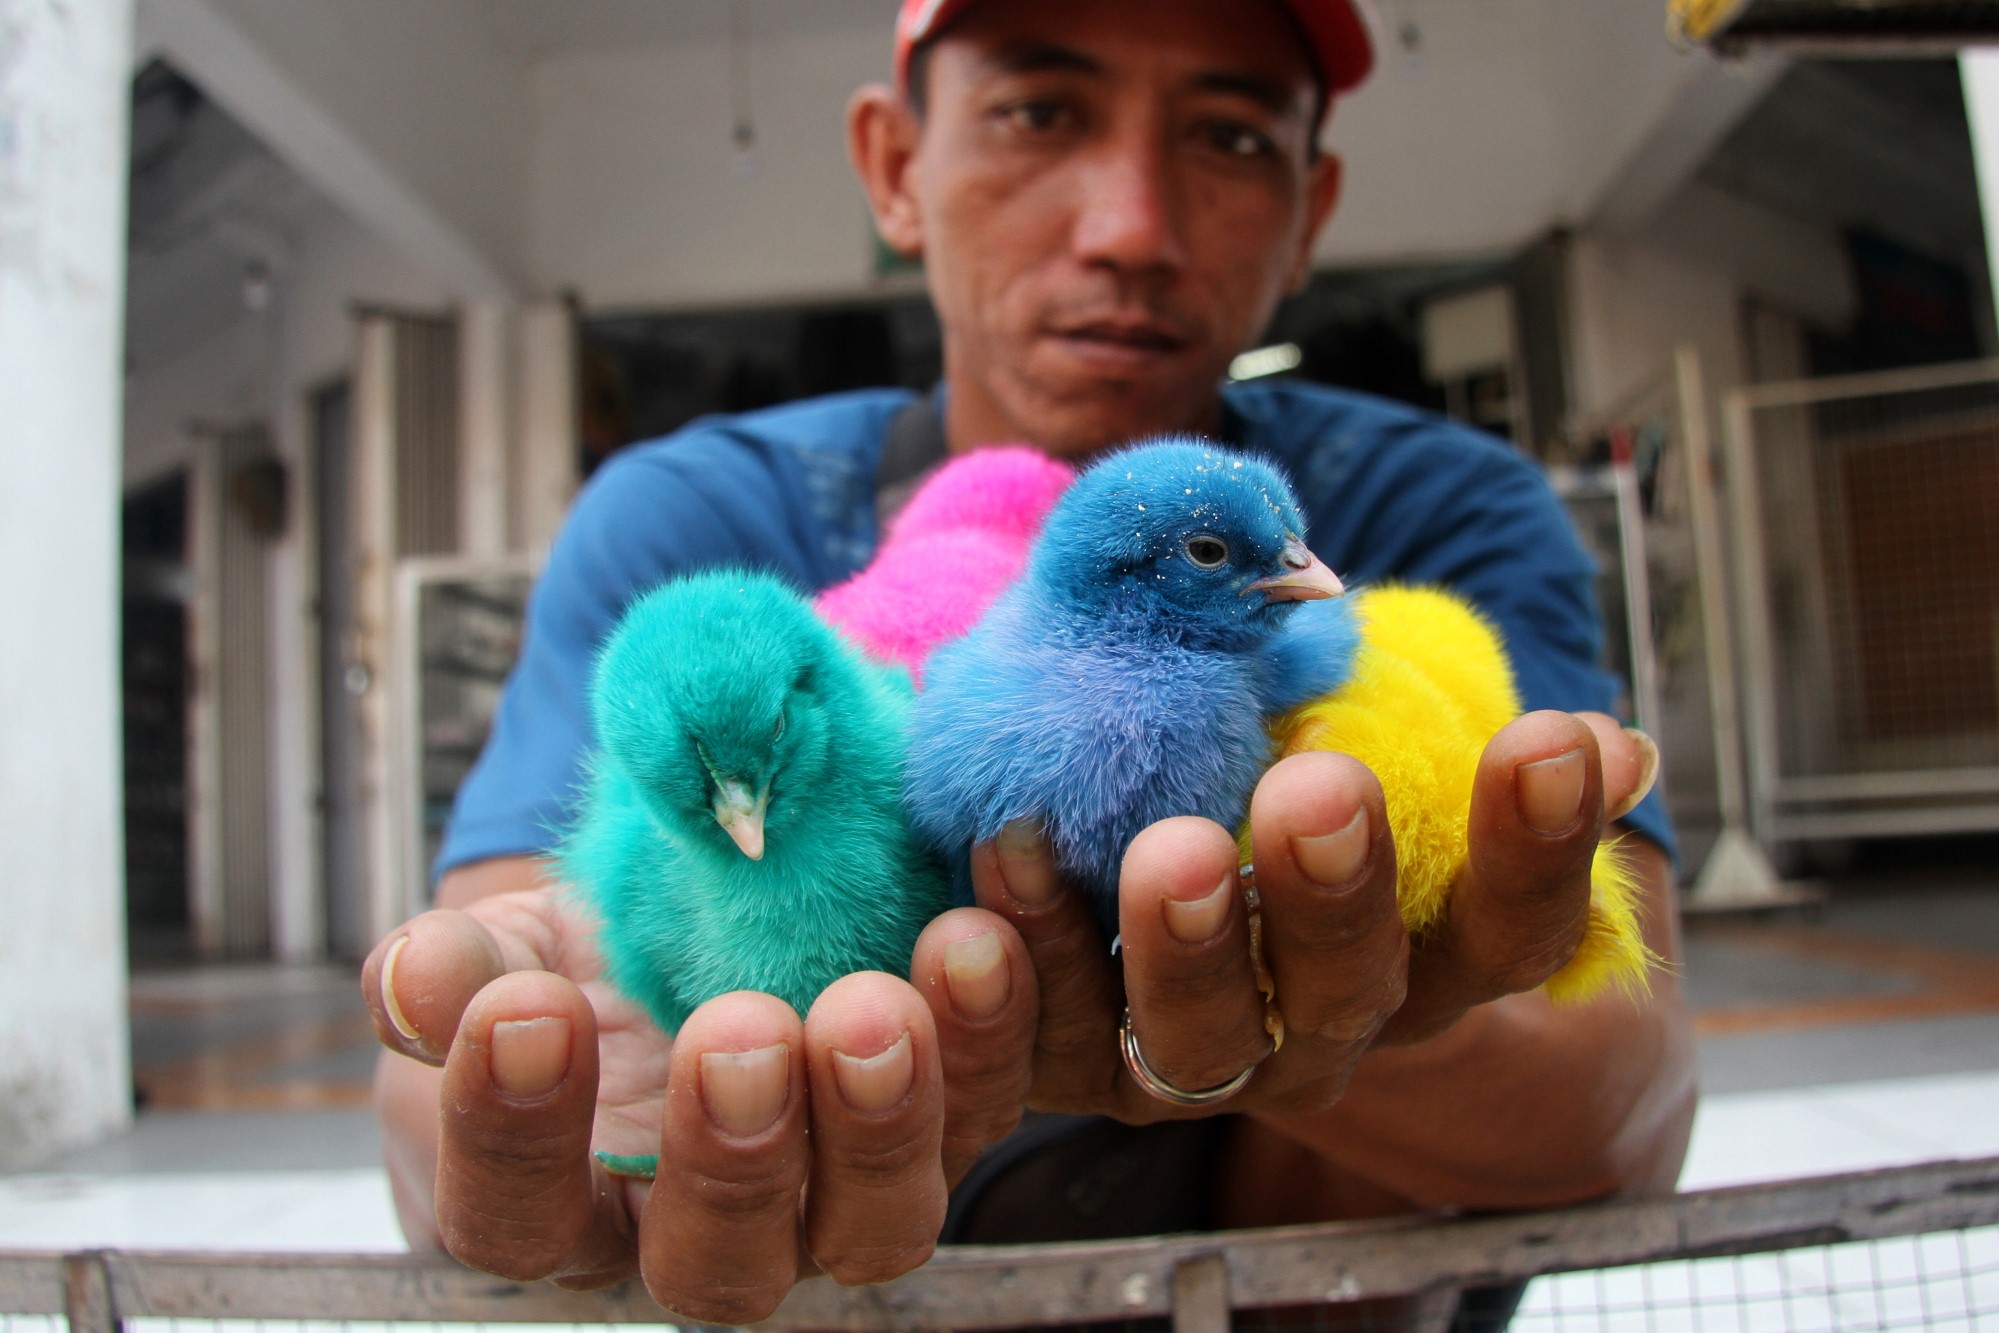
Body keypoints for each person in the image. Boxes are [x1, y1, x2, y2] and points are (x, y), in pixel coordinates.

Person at [363, 0, 1697, 1324]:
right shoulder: (690, 536)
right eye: (1039, 112)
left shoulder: (1442, 518)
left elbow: (1630, 1102)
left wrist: (1328, 1020)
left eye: (1230, 137)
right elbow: (482, 1025)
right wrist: (529, 1093)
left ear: (1312, 207)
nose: (1131, 226)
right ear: (895, 166)